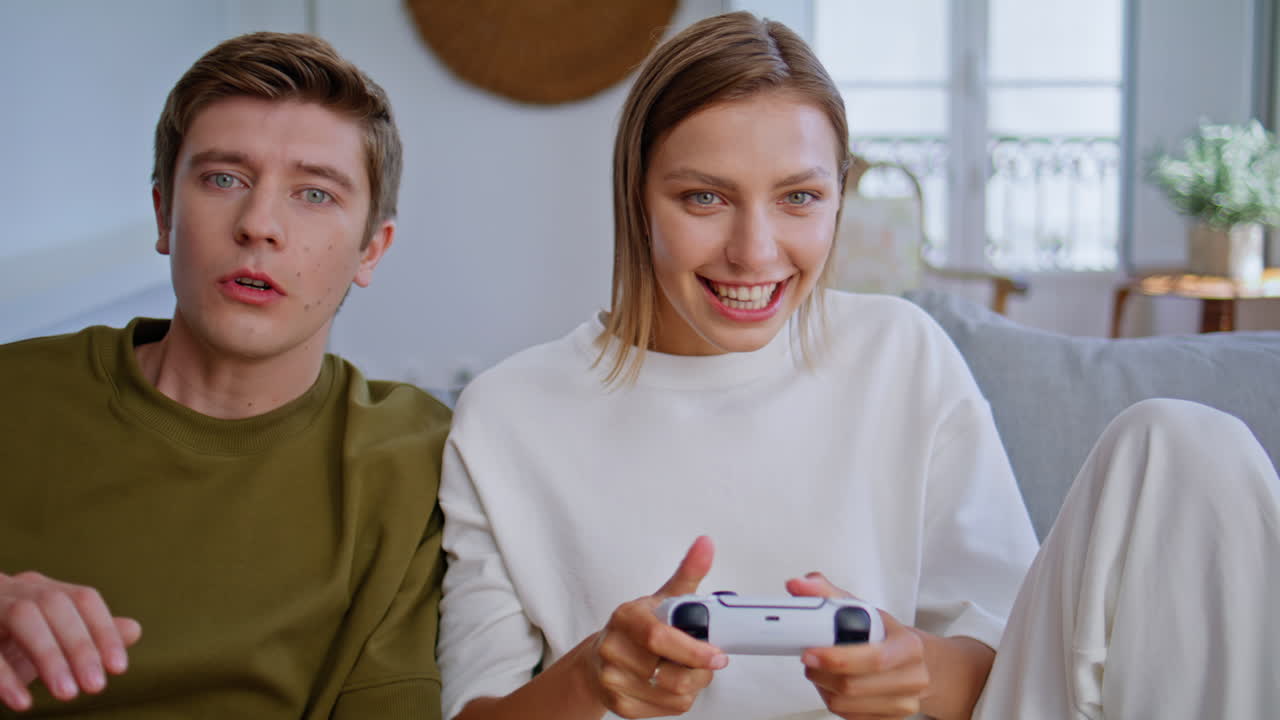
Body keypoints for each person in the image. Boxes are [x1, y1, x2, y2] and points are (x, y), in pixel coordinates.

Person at [436, 11, 1280, 720]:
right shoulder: (509, 414)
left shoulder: (899, 352)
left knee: (1182, 442)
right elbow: (476, 707)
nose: (753, 251)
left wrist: (917, 674)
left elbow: (1023, 655)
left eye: (799, 197)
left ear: (838, 197)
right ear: (636, 198)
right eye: (704, 197)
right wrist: (593, 679)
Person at [0, 32, 449, 718]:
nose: (260, 224)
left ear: (371, 249)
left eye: (315, 194)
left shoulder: (420, 457)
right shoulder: (15, 396)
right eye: (224, 179)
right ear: (163, 214)